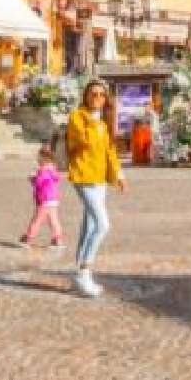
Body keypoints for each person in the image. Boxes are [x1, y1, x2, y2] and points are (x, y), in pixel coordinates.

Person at [66, 79, 125, 298]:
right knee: (103, 224)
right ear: (86, 96)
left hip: (100, 177)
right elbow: (82, 142)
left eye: (101, 95)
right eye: (93, 94)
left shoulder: (104, 122)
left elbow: (110, 151)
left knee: (89, 224)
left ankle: (79, 272)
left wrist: (118, 174)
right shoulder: (77, 117)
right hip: (83, 176)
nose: (98, 98)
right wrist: (94, 121)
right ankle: (84, 271)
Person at [20, 144, 65, 251]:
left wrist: (33, 179)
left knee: (37, 219)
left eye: (38, 158)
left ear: (43, 158)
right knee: (54, 220)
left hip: (44, 199)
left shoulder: (43, 170)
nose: (37, 160)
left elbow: (40, 183)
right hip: (53, 200)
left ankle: (28, 238)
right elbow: (53, 180)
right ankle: (58, 239)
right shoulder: (53, 170)